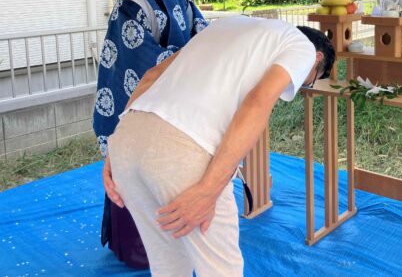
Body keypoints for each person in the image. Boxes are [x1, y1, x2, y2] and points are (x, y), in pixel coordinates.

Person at [103, 16, 335, 276]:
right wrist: (208, 189)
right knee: (221, 269)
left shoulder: (227, 24)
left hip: (126, 138)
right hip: (181, 150)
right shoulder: (302, 47)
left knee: (168, 265)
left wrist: (115, 146)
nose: (304, 84)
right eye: (311, 80)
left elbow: (151, 75)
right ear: (316, 59)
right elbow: (257, 102)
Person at [93, 0, 209, 269]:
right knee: (137, 183)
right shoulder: (131, 3)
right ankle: (135, 249)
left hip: (171, 112)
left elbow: (204, 35)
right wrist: (193, 58)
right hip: (136, 113)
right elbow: (143, 64)